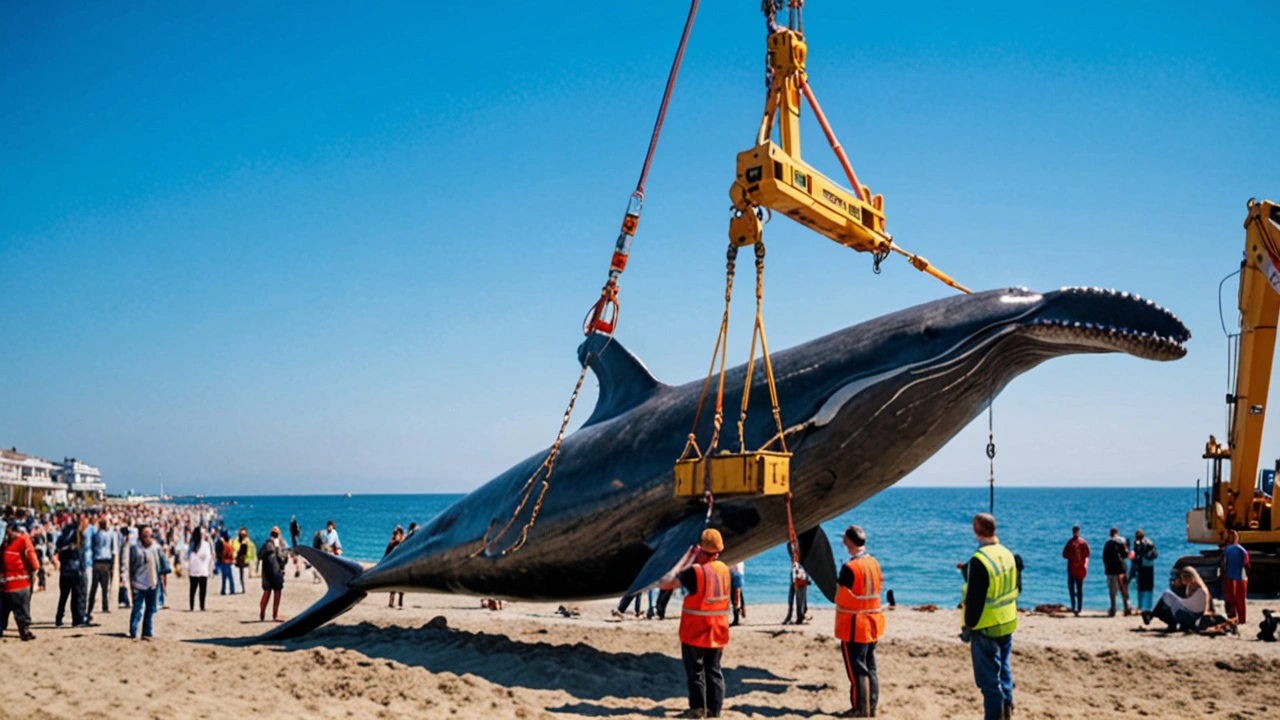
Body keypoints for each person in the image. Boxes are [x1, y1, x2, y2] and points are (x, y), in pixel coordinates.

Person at [667, 528, 731, 719]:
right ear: (718, 552)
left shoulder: (695, 572)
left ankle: (698, 710)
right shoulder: (725, 570)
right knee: (714, 672)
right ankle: (715, 712)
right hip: (717, 630)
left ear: (699, 550)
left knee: (696, 673)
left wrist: (686, 558)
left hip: (695, 631)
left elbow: (667, 582)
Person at [962, 513, 1018, 720]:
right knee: (1003, 670)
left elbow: (975, 599)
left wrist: (968, 626)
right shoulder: (1008, 554)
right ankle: (1007, 709)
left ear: (977, 530)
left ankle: (995, 716)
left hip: (986, 626)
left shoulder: (979, 561)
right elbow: (1015, 587)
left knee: (989, 681)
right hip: (1008, 621)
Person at [835, 525, 884, 718]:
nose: (843, 543)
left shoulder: (850, 568)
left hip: (855, 624)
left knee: (857, 670)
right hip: (873, 621)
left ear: (851, 542)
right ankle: (871, 706)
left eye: (845, 539)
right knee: (870, 666)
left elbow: (839, 594)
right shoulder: (874, 563)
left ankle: (859, 709)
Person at [0, 520, 39, 640]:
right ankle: (24, 630)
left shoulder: (3, 544)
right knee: (22, 609)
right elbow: (33, 561)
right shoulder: (23, 540)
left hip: (3, 584)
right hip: (20, 582)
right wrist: (34, 571)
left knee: (2, 610)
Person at [1143, 567, 1213, 631]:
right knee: (1167, 603)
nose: (1182, 580)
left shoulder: (1202, 590)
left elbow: (1204, 606)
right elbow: (1187, 601)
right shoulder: (1191, 587)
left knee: (1167, 594)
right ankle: (1152, 615)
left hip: (1194, 617)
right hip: (1191, 613)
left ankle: (1152, 615)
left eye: (1183, 578)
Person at [128, 526, 162, 640]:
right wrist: (129, 582)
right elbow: (131, 566)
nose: (148, 538)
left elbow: (160, 565)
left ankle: (147, 632)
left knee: (150, 610)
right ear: (140, 536)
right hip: (139, 582)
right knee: (137, 609)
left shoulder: (156, 547)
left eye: (150, 535)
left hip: (152, 583)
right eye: (145, 536)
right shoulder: (135, 548)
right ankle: (133, 631)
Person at [55, 514, 88, 627]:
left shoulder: (63, 539)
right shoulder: (79, 540)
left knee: (63, 596)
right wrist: (83, 570)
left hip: (65, 569)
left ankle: (59, 618)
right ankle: (77, 619)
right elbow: (81, 556)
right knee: (76, 596)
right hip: (75, 569)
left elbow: (58, 549)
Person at [259, 527, 288, 622]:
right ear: (279, 534)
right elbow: (283, 557)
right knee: (277, 591)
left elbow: (260, 555)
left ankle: (262, 612)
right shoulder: (280, 543)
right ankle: (275, 615)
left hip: (266, 570)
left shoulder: (266, 543)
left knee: (267, 592)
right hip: (276, 570)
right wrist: (283, 567)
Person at [87, 518, 114, 622]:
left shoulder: (97, 535)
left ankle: (90, 607)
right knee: (105, 586)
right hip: (106, 560)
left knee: (94, 587)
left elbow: (93, 544)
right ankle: (105, 605)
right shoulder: (109, 535)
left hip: (97, 560)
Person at [1222, 530, 1251, 624]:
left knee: (1230, 599)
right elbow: (1247, 564)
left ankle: (1232, 617)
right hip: (1241, 577)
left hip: (1229, 577)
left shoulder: (1226, 550)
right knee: (1240, 600)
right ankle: (1242, 619)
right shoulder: (1242, 550)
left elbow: (1223, 563)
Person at [1102, 527, 1131, 617]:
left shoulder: (1107, 544)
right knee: (1123, 589)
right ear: (1117, 533)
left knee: (1112, 591)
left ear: (1110, 534)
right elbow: (1125, 555)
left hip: (1111, 569)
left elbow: (1104, 557)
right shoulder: (1121, 542)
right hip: (1121, 568)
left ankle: (1113, 609)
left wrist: (1107, 568)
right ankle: (1126, 608)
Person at [1061, 525, 1089, 616]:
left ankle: (1074, 606)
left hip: (1072, 568)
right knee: (1079, 589)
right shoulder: (1083, 542)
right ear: (1078, 532)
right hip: (1080, 568)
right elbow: (1087, 553)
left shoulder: (1070, 542)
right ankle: (1079, 607)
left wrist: (1071, 556)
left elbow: (1064, 555)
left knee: (1072, 589)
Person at [1130, 530, 1158, 612]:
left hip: (1142, 567)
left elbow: (1137, 555)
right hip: (1150, 567)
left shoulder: (1140, 544)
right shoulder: (1149, 543)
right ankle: (1149, 606)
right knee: (1149, 588)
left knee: (1141, 588)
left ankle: (1140, 607)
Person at [187, 526, 211, 611]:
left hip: (203, 570)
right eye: (202, 534)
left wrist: (209, 569)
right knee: (193, 589)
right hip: (193, 570)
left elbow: (208, 557)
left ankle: (202, 606)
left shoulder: (206, 544)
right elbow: (188, 556)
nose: (203, 535)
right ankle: (191, 606)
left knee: (203, 589)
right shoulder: (192, 544)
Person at [384, 526, 405, 608]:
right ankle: (394, 602)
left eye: (396, 533)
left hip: (398, 565)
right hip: (396, 566)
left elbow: (386, 555)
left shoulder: (399, 543)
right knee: (396, 585)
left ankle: (398, 602)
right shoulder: (394, 543)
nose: (394, 535)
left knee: (399, 584)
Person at [234, 527, 254, 593]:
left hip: (245, 560)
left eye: (244, 534)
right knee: (239, 576)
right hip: (238, 560)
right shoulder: (236, 541)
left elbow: (251, 551)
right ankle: (241, 588)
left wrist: (252, 559)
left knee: (244, 576)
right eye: (241, 534)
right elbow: (235, 549)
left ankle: (244, 588)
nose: (243, 536)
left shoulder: (249, 542)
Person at [218, 529, 236, 594]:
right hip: (228, 561)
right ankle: (232, 590)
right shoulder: (229, 545)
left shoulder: (224, 544)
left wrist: (222, 558)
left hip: (225, 561)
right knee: (230, 577)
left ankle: (224, 590)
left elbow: (224, 552)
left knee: (224, 578)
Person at [729, 562, 746, 626]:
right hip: (731, 571)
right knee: (735, 592)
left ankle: (736, 618)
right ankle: (742, 607)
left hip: (737, 571)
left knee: (736, 592)